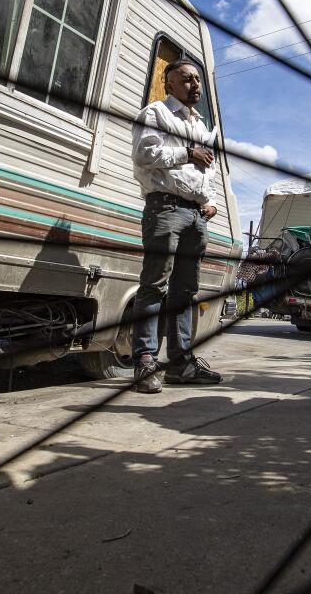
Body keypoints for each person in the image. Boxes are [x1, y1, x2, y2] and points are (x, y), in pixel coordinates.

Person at [129, 58, 225, 394]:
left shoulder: (201, 125)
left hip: (196, 216)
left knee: (185, 292)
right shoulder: (156, 114)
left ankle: (181, 364)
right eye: (186, 79)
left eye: (197, 79)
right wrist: (187, 153)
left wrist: (209, 201)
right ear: (169, 84)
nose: (194, 84)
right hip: (165, 208)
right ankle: (144, 362)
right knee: (154, 285)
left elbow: (207, 172)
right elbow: (144, 154)